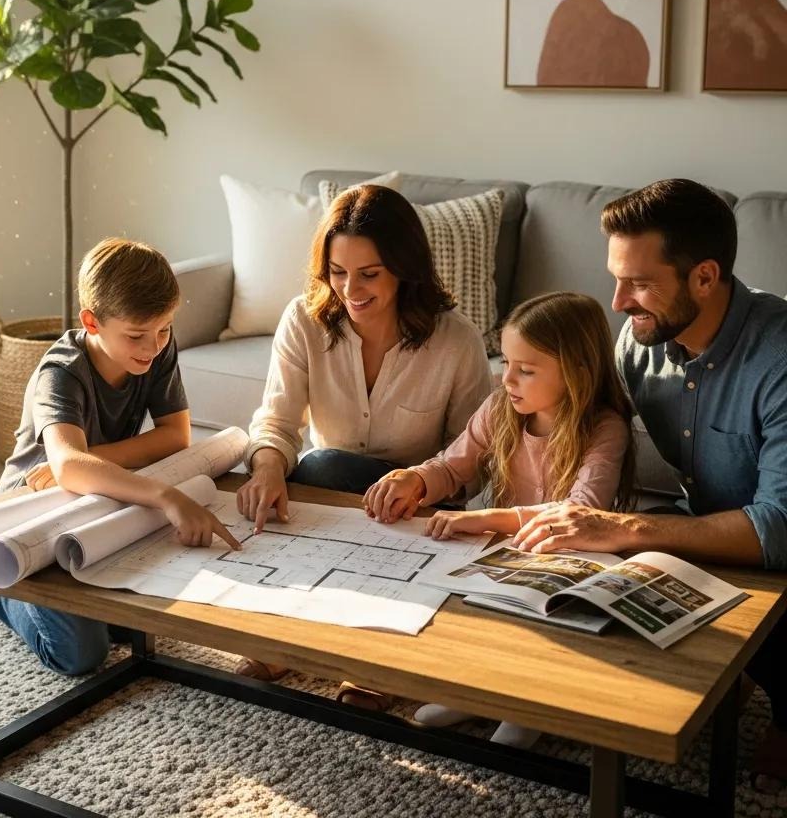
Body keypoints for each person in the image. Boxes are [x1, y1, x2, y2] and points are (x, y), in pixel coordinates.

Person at [510, 179, 787, 783]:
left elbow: (779, 527)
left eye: (638, 283)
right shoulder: (639, 344)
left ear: (705, 277)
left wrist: (626, 528)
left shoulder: (779, 357)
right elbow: (582, 421)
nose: (617, 302)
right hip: (706, 526)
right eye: (616, 278)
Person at [235, 184, 493, 686]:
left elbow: (476, 457)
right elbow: (277, 421)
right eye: (338, 273)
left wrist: (419, 482)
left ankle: (371, 663)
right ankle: (300, 636)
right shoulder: (303, 322)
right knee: (313, 469)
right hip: (332, 501)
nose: (350, 290)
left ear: (404, 267)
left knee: (322, 467)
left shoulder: (455, 340)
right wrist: (266, 468)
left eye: (369, 274)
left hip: (415, 510)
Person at [365, 291, 633, 745]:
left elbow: (578, 513)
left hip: (574, 558)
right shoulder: (501, 409)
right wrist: (417, 479)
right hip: (507, 553)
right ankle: (474, 690)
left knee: (543, 614)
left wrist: (490, 518)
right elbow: (453, 465)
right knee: (467, 605)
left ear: (577, 373)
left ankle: (528, 703)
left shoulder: (605, 429)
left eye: (525, 370)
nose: (507, 378)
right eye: (507, 362)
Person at [0, 237, 240, 676]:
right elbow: (67, 467)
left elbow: (175, 436)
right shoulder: (60, 372)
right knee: (81, 655)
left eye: (164, 329)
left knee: (137, 630)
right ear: (92, 322)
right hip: (29, 514)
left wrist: (86, 460)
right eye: (136, 335)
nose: (153, 347)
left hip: (97, 499)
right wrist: (166, 496)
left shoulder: (154, 347)